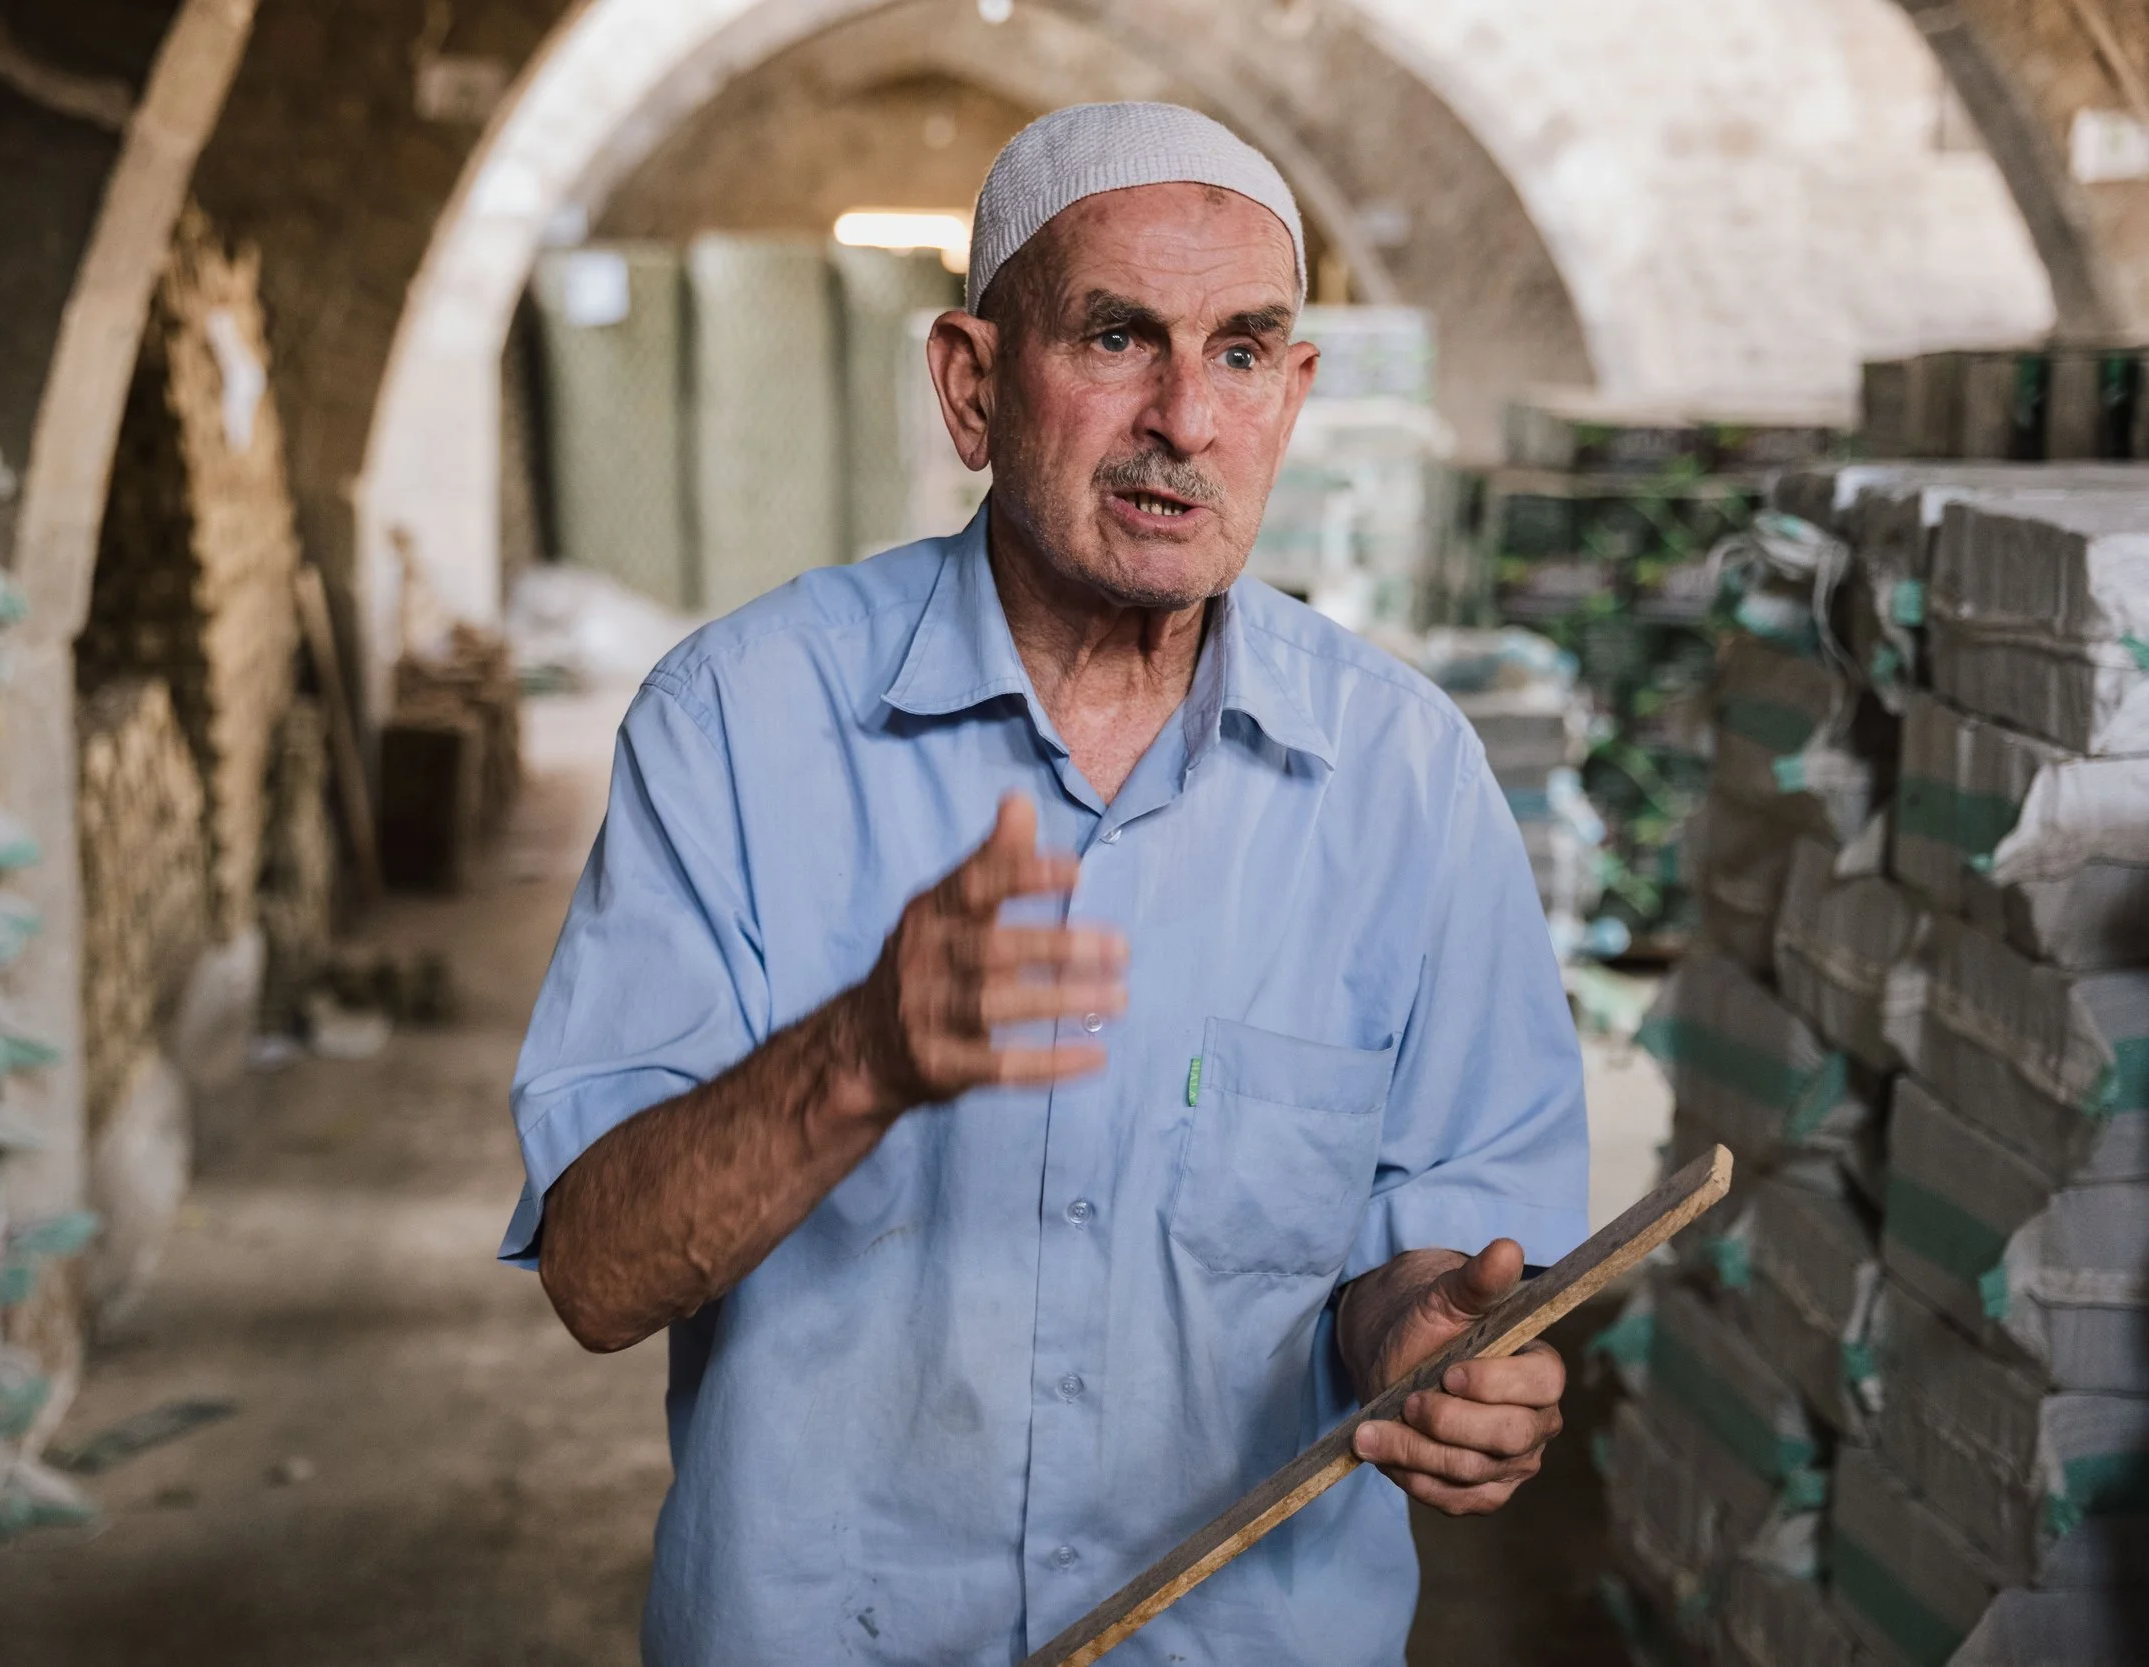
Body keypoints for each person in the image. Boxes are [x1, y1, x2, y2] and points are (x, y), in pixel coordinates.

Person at [501, 101, 1589, 1666]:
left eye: (1239, 352)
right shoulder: (739, 724)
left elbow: (1430, 1254)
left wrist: (1423, 1338)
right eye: (1116, 338)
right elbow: (598, 1275)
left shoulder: (1405, 782)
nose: (1183, 419)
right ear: (972, 382)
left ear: (1294, 394)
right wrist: (858, 1054)